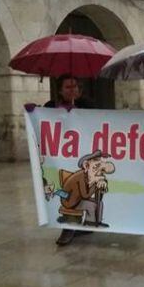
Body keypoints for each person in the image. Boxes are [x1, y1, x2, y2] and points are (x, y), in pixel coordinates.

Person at [47, 74, 92, 246]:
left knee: (83, 191)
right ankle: (68, 226)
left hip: (82, 155)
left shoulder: (88, 105)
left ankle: (81, 224)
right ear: (60, 90)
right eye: (68, 87)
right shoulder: (51, 106)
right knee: (67, 191)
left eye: (75, 87)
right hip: (61, 157)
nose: (72, 90)